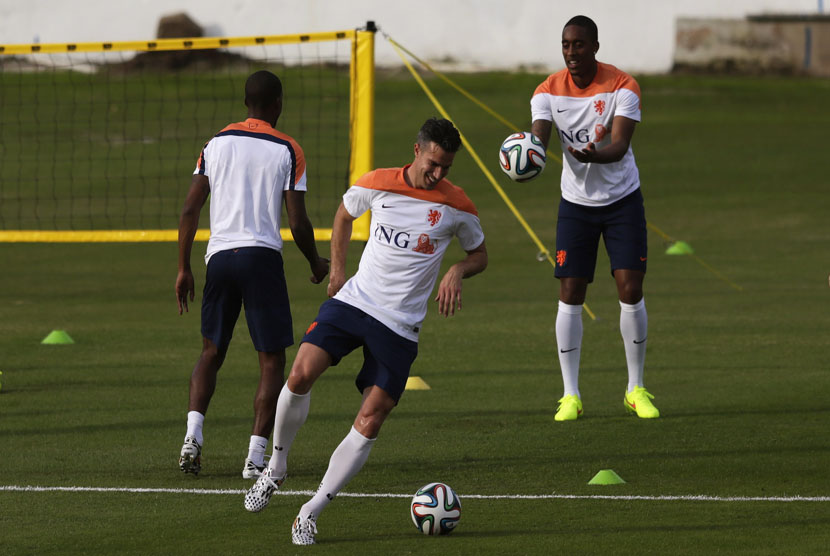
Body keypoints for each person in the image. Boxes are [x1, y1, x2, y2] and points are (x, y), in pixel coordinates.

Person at [243, 117, 487, 545]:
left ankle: (311, 510)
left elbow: (480, 253)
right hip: (354, 302)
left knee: (371, 419)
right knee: (299, 375)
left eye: (446, 167)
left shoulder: (458, 206)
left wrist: (457, 270)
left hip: (400, 328)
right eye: (433, 163)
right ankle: (276, 468)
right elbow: (343, 215)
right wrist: (337, 270)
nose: (438, 174)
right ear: (416, 150)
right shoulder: (377, 182)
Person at [175, 70, 329, 477]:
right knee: (271, 361)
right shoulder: (288, 149)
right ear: (277, 103)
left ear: (246, 103)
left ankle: (192, 438)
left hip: (219, 259)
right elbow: (297, 220)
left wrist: (182, 268)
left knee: (211, 352)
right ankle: (255, 459)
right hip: (261, 259)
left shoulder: (215, 144)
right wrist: (316, 262)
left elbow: (190, 209)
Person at [530, 15, 659, 421]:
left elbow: (619, 145)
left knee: (629, 287)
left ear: (595, 47)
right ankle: (571, 395)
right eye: (566, 45)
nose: (571, 52)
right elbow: (539, 138)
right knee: (570, 291)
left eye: (579, 45)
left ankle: (635, 389)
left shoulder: (624, 86)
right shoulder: (547, 90)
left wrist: (592, 154)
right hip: (576, 205)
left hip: (622, 200)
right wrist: (525, 156)